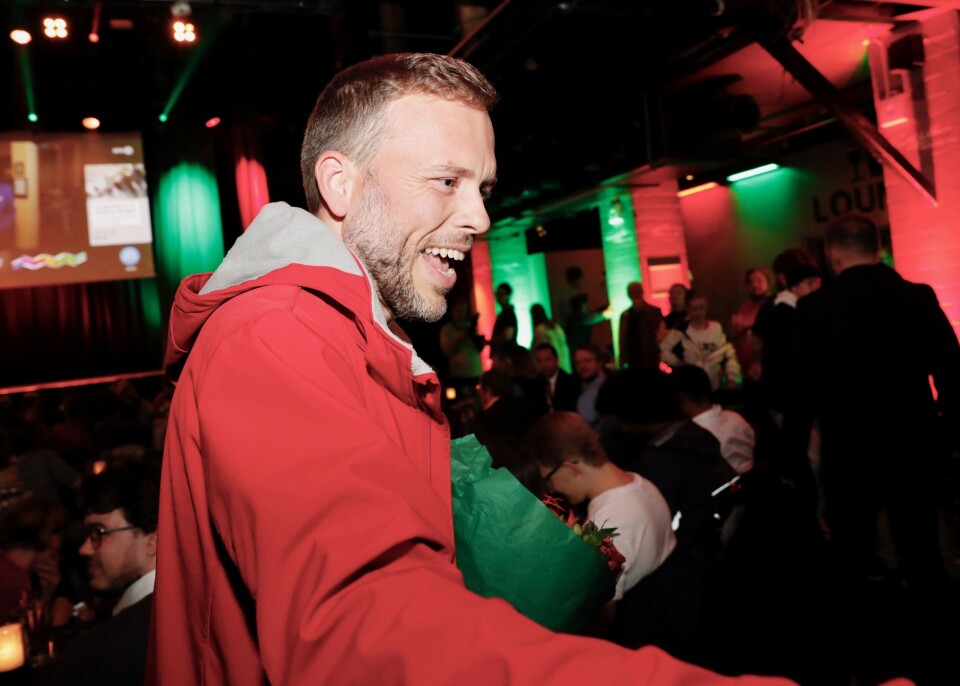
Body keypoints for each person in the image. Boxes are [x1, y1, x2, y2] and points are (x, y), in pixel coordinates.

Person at [150, 52, 793, 685]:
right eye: (446, 181)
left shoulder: (342, 332)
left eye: (481, 189)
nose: (480, 218)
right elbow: (368, 636)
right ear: (339, 184)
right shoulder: (276, 335)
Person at [789, 214, 960, 684]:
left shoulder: (815, 310)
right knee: (923, 557)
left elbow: (799, 399)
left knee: (848, 563)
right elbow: (953, 379)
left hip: (850, 457)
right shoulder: (918, 298)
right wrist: (946, 441)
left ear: (833, 256)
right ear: (879, 247)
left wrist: (796, 468)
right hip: (914, 451)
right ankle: (939, 658)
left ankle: (856, 666)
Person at [525, 412, 676, 602]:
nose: (552, 489)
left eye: (548, 480)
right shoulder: (643, 484)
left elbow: (595, 612)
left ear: (569, 468)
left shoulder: (607, 526)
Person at [34, 460, 161, 686]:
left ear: (152, 540)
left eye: (98, 532)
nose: (84, 549)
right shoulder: (207, 611)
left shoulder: (98, 656)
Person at [660, 290, 741, 392]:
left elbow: (728, 354)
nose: (698, 313)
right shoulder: (681, 331)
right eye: (694, 309)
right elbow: (664, 350)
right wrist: (680, 366)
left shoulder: (716, 329)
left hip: (715, 385)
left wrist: (732, 377)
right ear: (688, 309)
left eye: (701, 308)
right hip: (691, 386)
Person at [730, 268, 770, 384]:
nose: (755, 285)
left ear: (767, 282)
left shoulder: (774, 304)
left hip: (769, 369)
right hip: (746, 371)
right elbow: (736, 336)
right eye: (751, 282)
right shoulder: (744, 307)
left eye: (759, 280)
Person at [438, 293, 485, 393]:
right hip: (460, 375)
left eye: (464, 311)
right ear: (453, 311)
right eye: (459, 311)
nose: (462, 314)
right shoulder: (447, 329)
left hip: (475, 372)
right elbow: (447, 350)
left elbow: (478, 348)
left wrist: (480, 341)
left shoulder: (469, 326)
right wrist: (463, 336)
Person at [618, 281, 664, 370]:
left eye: (636, 291)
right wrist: (622, 358)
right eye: (632, 292)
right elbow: (623, 338)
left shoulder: (654, 311)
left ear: (642, 292)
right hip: (633, 357)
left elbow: (659, 332)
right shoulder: (625, 315)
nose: (634, 294)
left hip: (650, 356)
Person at [534, 342, 581, 413]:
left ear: (556, 359)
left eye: (547, 359)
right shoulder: (536, 384)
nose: (544, 364)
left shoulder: (570, 382)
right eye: (540, 361)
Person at [531, 303, 570, 374]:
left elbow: (541, 349)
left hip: (553, 368)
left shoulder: (539, 330)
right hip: (565, 364)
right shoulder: (556, 327)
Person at [490, 282, 518, 356]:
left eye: (502, 294)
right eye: (497, 294)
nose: (499, 297)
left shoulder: (508, 314)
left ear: (508, 295)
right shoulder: (505, 313)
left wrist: (490, 342)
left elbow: (507, 336)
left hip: (505, 355)